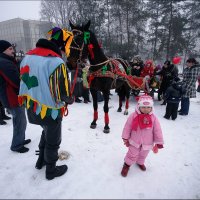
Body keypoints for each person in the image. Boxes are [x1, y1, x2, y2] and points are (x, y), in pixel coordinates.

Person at [18, 27, 74, 180]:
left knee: (46, 132)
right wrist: (70, 98)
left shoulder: (28, 57)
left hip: (32, 107)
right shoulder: (56, 62)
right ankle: (51, 170)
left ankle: (40, 161)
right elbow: (63, 94)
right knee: (53, 141)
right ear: (62, 46)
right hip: (50, 110)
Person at [120, 94, 164, 177]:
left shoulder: (153, 118)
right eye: (143, 107)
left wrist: (159, 142)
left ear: (151, 108)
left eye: (148, 107)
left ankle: (140, 162)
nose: (146, 109)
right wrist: (125, 137)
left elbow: (157, 131)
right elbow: (127, 127)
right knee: (132, 154)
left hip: (147, 143)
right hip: (134, 141)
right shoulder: (133, 116)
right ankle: (127, 165)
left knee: (143, 155)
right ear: (139, 106)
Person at [0, 40, 30, 153]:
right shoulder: (4, 63)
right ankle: (17, 145)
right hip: (12, 97)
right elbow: (16, 81)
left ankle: (20, 139)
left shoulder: (7, 61)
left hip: (12, 96)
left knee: (20, 121)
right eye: (10, 49)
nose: (13, 51)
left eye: (12, 48)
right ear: (3, 51)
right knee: (20, 122)